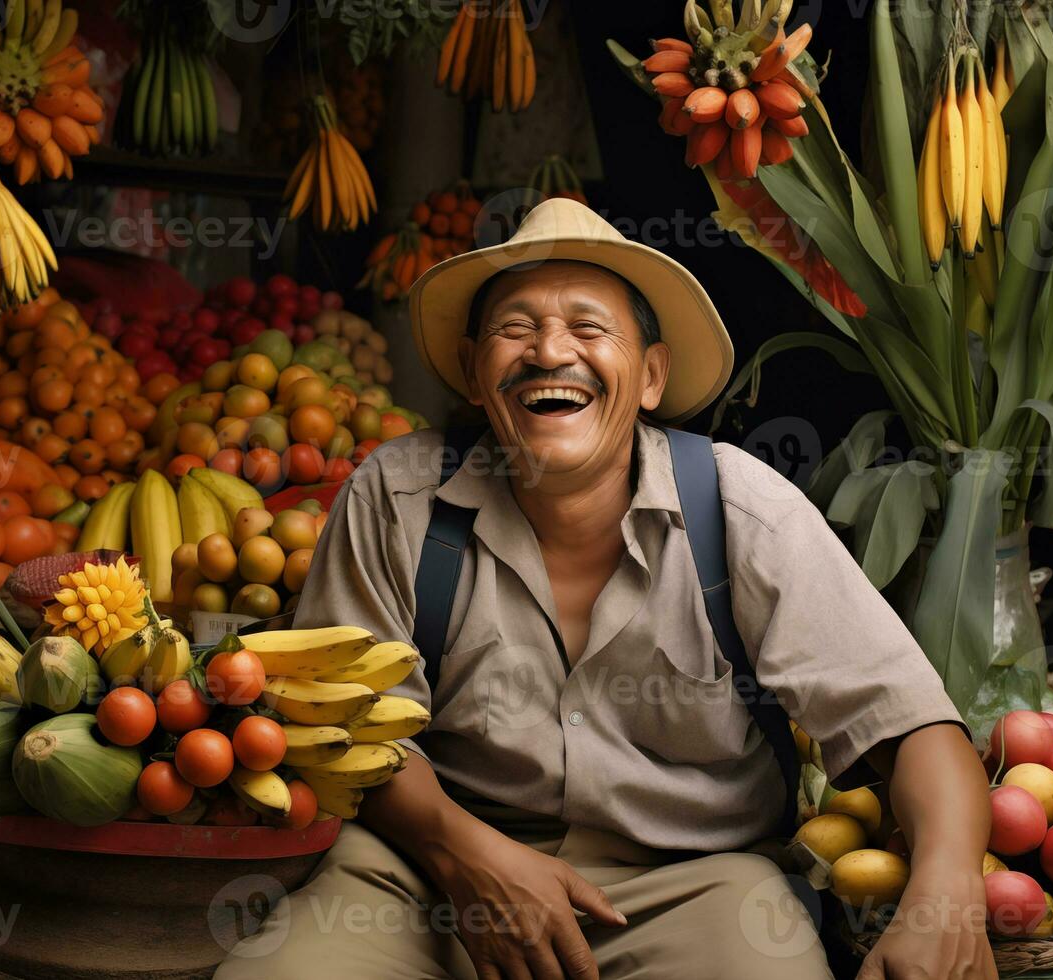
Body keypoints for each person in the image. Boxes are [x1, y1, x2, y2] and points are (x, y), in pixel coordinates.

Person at [217, 199, 993, 979]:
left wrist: (945, 897)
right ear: (475, 374)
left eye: (589, 329)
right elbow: (351, 732)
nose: (550, 350)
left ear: (651, 375)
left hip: (691, 889)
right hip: (422, 877)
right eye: (514, 329)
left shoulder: (739, 510)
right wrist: (463, 854)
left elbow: (909, 726)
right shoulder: (397, 496)